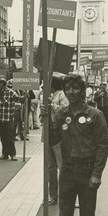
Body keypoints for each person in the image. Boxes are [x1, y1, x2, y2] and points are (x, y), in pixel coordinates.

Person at [47, 74, 108, 216]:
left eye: (75, 88)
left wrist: (97, 173)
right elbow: (53, 140)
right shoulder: (61, 114)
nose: (72, 92)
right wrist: (47, 118)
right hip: (67, 171)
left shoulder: (95, 115)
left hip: (87, 171)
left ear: (83, 91)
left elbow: (102, 145)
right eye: (68, 88)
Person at [46, 76, 69, 205]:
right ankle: (53, 195)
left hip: (57, 134)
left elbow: (64, 111)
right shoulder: (49, 95)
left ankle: (65, 196)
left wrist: (52, 104)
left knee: (62, 166)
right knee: (50, 167)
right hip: (49, 133)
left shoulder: (61, 95)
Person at [0, 78, 21, 161]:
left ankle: (13, 154)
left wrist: (24, 97)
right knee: (2, 137)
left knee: (10, 136)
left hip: (8, 117)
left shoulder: (10, 92)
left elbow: (18, 98)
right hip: (0, 118)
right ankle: (5, 153)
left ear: (3, 84)